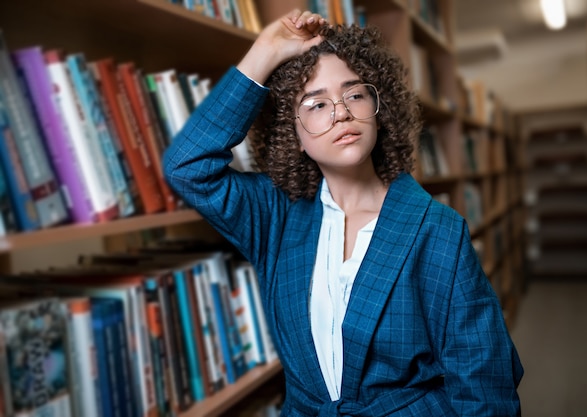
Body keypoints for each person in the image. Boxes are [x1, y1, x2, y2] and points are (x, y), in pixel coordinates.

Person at [163, 9, 523, 416]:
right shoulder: (275, 216)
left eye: (354, 94)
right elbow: (187, 168)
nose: (341, 113)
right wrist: (264, 51)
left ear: (377, 108)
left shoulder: (438, 230)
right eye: (316, 105)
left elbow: (484, 388)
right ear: (293, 133)